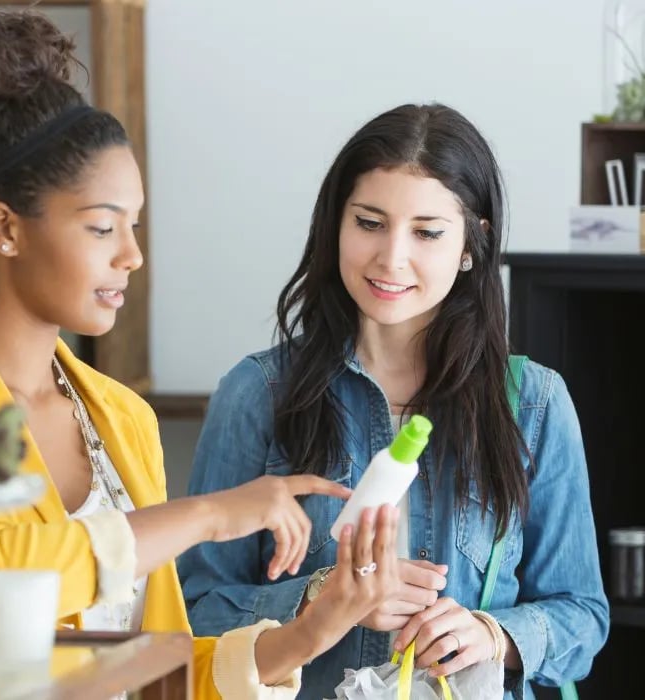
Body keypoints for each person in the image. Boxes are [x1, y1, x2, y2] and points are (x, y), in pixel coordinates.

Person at [0, 10, 411, 698]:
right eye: (102, 227)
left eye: (132, 225)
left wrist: (314, 630)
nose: (131, 255)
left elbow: (157, 670)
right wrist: (210, 514)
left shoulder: (119, 417)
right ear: (5, 227)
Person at [177, 103, 610, 700]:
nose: (391, 257)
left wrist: (493, 634)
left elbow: (584, 616)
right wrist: (318, 599)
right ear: (336, 224)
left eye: (427, 232)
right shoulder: (258, 394)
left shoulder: (533, 404)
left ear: (471, 243)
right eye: (369, 223)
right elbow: (194, 613)